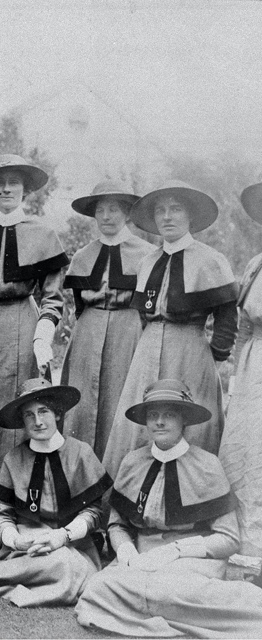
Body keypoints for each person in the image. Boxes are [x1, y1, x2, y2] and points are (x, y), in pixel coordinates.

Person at [76, 379, 262, 637]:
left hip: (192, 561)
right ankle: (175, 612)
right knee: (98, 588)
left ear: (183, 420)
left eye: (169, 415)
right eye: (153, 415)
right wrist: (127, 551)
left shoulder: (207, 465)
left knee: (170, 589)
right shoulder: (132, 462)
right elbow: (118, 525)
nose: (159, 422)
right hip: (141, 559)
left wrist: (176, 550)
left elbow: (229, 539)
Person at [0, 154, 68, 549]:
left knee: (18, 418)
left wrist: (42, 333)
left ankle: (21, 514)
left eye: (14, 182)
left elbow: (53, 297)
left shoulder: (43, 234)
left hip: (22, 323)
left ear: (25, 189)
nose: (6, 189)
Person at [102, 181, 238, 482]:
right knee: (141, 421)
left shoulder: (210, 259)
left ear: (190, 217)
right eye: (161, 211)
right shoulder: (148, 260)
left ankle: (192, 499)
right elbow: (141, 313)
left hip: (190, 348)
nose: (167, 217)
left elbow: (227, 315)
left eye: (175, 209)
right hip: (148, 346)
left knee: (190, 422)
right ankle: (132, 497)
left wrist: (213, 357)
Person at [0, 378, 111, 607]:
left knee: (71, 565)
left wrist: (62, 536)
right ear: (22, 422)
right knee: (68, 570)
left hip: (72, 543)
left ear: (57, 414)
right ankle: (32, 582)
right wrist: (15, 540)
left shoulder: (81, 453)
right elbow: (2, 514)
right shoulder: (13, 459)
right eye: (29, 415)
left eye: (43, 411)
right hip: (27, 546)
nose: (38, 421)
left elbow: (93, 512)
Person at [61, 180, 155, 459]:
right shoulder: (83, 255)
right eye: (100, 210)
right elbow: (79, 305)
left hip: (128, 331)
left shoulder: (147, 254)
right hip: (87, 332)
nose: (106, 216)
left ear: (127, 213)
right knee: (81, 405)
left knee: (120, 401)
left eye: (114, 209)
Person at [218, 181, 262, 559]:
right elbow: (243, 326)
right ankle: (249, 548)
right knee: (248, 454)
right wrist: (236, 379)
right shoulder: (255, 264)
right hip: (253, 367)